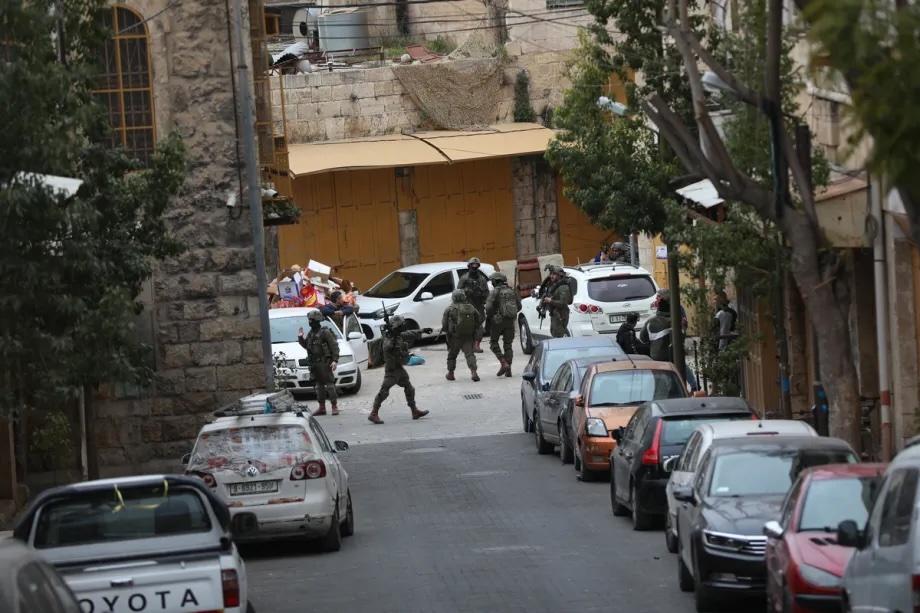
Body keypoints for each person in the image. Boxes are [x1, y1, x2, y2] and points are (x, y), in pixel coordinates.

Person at [368, 315, 433, 425]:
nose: (404, 326)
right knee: (384, 391)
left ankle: (414, 411)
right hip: (392, 371)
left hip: (399, 369)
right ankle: (373, 413)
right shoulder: (388, 339)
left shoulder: (398, 336)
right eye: (401, 324)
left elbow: (410, 333)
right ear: (397, 326)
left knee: (409, 388)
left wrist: (423, 330)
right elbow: (388, 347)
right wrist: (392, 341)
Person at [297, 311, 340, 416]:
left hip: (325, 362)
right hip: (314, 363)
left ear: (316, 320)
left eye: (311, 320)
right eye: (309, 320)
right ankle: (322, 407)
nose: (309, 322)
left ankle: (334, 406)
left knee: (330, 384)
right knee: (318, 386)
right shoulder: (311, 333)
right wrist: (300, 338)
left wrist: (335, 360)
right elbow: (307, 345)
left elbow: (334, 346)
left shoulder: (325, 332)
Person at [485, 271, 521, 376]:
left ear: (496, 281)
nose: (491, 282)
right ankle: (508, 369)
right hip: (510, 321)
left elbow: (488, 307)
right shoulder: (511, 290)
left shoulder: (494, 292)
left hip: (497, 321)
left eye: (492, 281)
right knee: (508, 345)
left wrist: (491, 316)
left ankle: (503, 363)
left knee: (493, 343)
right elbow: (519, 306)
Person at [442, 289, 481, 382]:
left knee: (452, 355)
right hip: (468, 335)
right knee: (469, 354)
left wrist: (448, 332)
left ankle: (451, 373)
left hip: (455, 337)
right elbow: (478, 319)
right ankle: (474, 371)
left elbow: (444, 325)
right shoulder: (470, 307)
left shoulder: (449, 309)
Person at [457, 257, 490, 352]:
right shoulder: (464, 278)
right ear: (469, 266)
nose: (474, 267)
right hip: (467, 305)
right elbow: (458, 291)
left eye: (476, 266)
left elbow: (487, 292)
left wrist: (485, 300)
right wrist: (467, 291)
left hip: (478, 305)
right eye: (473, 266)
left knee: (479, 326)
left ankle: (476, 345)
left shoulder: (482, 279)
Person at [542, 265, 573, 338]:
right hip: (554, 314)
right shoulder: (553, 285)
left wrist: (551, 301)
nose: (552, 276)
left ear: (560, 275)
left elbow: (563, 303)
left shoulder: (563, 287)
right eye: (551, 274)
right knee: (554, 333)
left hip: (561, 315)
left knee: (559, 336)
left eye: (554, 274)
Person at [639, 296, 673, 362]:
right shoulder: (674, 321)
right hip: (672, 356)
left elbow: (643, 338)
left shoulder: (650, 321)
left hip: (655, 355)